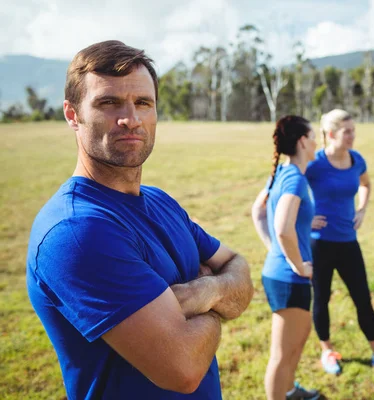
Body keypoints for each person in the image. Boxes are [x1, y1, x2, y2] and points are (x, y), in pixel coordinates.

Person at [26, 40, 254, 400]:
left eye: (143, 103)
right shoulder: (76, 232)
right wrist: (216, 306)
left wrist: (202, 291)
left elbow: (238, 268)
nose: (130, 119)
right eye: (108, 102)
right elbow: (183, 368)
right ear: (72, 114)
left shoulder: (161, 202)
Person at [305, 109, 374, 375]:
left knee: (362, 298)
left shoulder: (356, 160)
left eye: (353, 130)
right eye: (347, 131)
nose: (353, 136)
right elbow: (290, 192)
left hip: (349, 242)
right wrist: (306, 219)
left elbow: (366, 184)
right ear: (331, 134)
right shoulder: (313, 163)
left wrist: (362, 209)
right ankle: (327, 351)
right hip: (319, 244)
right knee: (321, 299)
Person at [251, 115, 320, 400]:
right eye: (314, 136)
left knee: (295, 344)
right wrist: (296, 263)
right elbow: (282, 228)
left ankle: (290, 391)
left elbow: (258, 211)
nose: (317, 142)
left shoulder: (283, 172)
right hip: (289, 277)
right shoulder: (295, 179)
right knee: (280, 356)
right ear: (303, 141)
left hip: (284, 274)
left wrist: (274, 250)